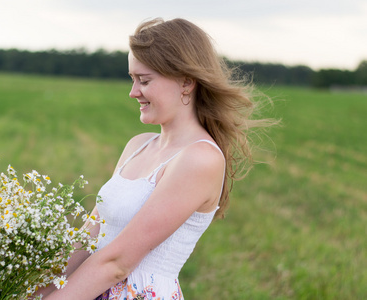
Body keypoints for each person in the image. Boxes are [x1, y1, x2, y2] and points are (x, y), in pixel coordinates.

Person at [39, 17, 274, 299]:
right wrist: (27, 288)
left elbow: (118, 263)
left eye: (145, 80)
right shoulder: (137, 146)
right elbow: (88, 238)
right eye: (132, 79)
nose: (133, 92)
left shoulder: (200, 159)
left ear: (186, 82)